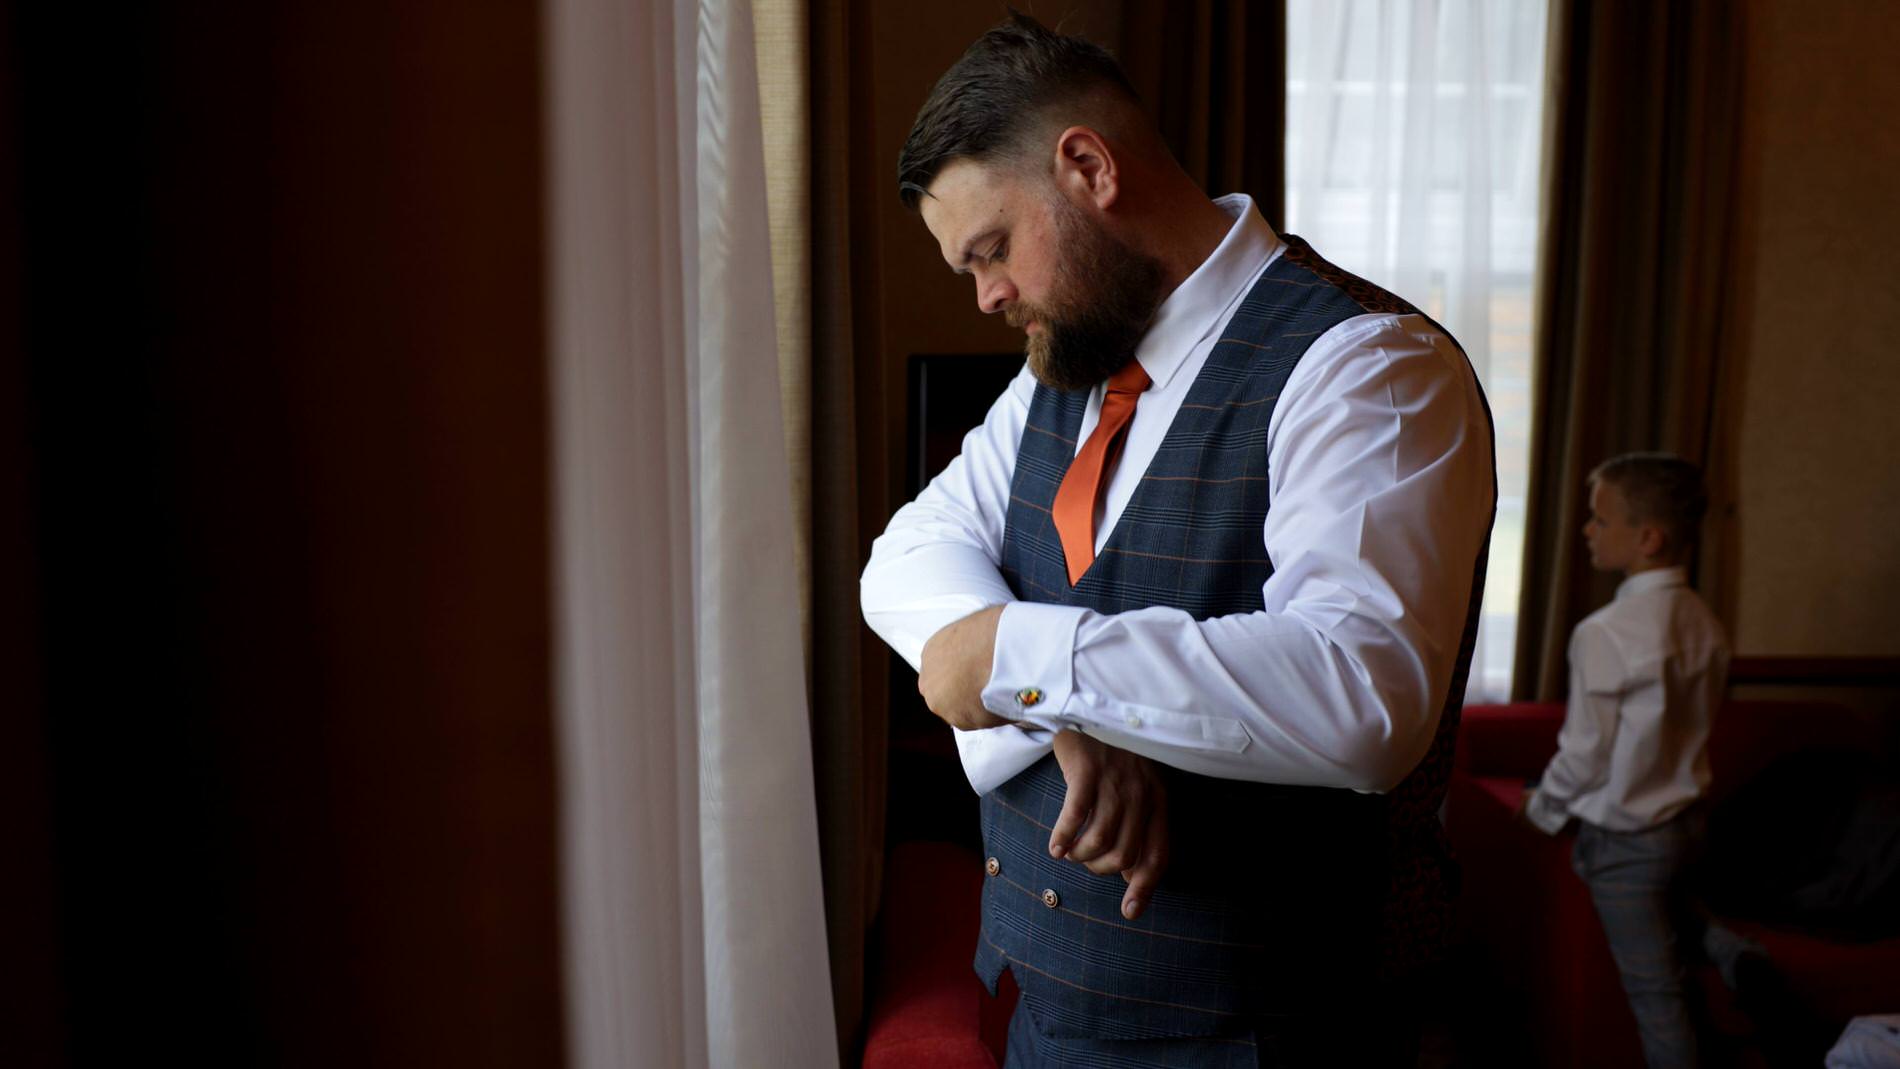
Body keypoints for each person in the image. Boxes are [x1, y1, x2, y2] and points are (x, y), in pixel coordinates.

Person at [860, 13, 1496, 1066]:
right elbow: (905, 552)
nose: (987, 296)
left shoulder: (1368, 366)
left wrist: (1029, 658)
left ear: (1088, 168)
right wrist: (1061, 711)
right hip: (1043, 1012)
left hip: (1268, 1033)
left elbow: (1363, 691)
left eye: (993, 249)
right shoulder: (1065, 365)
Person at [1518, 453, 1731, 1069]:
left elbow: (1586, 754)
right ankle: (1734, 951)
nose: (1587, 529)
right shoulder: (1706, 622)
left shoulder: (1606, 631)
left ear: (1648, 538)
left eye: (1600, 518)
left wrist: (1541, 809)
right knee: (1678, 942)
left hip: (1629, 842)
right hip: (1688, 823)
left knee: (1656, 995)